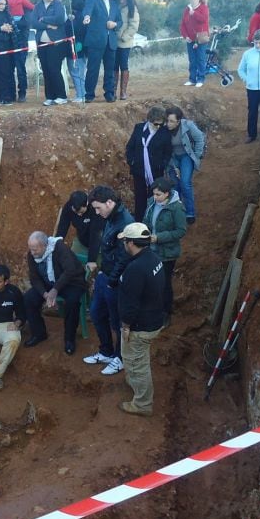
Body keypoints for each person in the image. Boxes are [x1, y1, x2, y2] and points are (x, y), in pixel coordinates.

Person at [82, 185, 135, 376]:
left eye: (98, 208)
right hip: (106, 275)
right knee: (96, 313)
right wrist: (103, 274)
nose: (96, 212)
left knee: (117, 322)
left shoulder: (124, 223)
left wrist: (111, 280)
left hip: (116, 280)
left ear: (110, 202)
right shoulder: (110, 217)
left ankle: (120, 358)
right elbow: (108, 249)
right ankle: (106, 351)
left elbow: (124, 258)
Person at [115, 222, 165, 417]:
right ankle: (133, 380)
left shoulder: (135, 269)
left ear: (130, 243)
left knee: (137, 363)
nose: (124, 245)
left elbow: (131, 303)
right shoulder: (154, 258)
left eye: (125, 241)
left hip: (140, 325)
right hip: (154, 318)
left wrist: (126, 326)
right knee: (138, 358)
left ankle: (143, 404)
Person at [23, 231, 87, 355]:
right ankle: (39, 333)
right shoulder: (32, 255)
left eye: (35, 249)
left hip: (71, 282)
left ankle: (69, 339)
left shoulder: (60, 248)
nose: (32, 253)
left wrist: (54, 290)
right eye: (31, 249)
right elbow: (34, 278)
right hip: (48, 283)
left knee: (72, 302)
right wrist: (45, 294)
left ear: (45, 245)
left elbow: (70, 271)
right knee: (28, 299)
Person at [142, 177, 186, 327]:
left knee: (164, 283)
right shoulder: (151, 203)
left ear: (167, 194)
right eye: (154, 194)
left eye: (158, 194)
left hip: (167, 253)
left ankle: (165, 313)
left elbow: (180, 231)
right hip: (151, 250)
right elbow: (146, 221)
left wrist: (159, 238)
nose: (155, 197)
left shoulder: (176, 208)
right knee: (151, 281)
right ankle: (152, 309)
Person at [124, 105, 171, 219]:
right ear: (150, 120)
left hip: (156, 172)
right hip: (139, 170)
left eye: (161, 124)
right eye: (156, 124)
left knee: (154, 196)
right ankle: (139, 220)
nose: (158, 126)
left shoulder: (165, 132)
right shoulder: (139, 128)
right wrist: (132, 161)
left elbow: (168, 152)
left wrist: (162, 165)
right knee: (139, 197)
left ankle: (153, 219)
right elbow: (130, 147)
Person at [81, 0, 123, 102]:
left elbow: (120, 21)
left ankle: (109, 93)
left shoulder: (115, 4)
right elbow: (87, 10)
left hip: (111, 42)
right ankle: (89, 95)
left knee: (110, 69)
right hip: (95, 41)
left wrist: (114, 25)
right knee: (93, 69)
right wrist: (87, 17)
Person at [163, 106, 205, 224]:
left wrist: (196, 156)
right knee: (175, 185)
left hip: (186, 155)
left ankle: (190, 212)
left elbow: (200, 138)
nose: (168, 124)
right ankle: (177, 212)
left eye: (171, 121)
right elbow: (165, 151)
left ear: (179, 121)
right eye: (167, 120)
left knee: (185, 183)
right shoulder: (164, 130)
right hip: (172, 158)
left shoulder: (188, 125)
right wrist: (174, 166)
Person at [31, 0, 68, 107]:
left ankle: (61, 96)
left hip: (56, 43)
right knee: (46, 70)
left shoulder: (58, 4)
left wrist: (44, 18)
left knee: (54, 69)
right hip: (42, 43)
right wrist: (47, 25)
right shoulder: (37, 7)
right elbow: (33, 22)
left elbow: (60, 19)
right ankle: (50, 97)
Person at [2, 0, 35, 102]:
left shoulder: (6, 5)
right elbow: (33, 8)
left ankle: (16, 93)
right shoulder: (25, 7)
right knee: (18, 68)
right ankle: (18, 94)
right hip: (19, 41)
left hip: (14, 41)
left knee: (14, 68)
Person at [55, 189, 104, 261]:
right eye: (76, 212)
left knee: (99, 263)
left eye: (81, 212)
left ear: (86, 205)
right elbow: (62, 227)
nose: (79, 215)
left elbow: (95, 236)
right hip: (82, 240)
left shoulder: (94, 209)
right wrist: (57, 245)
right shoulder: (68, 207)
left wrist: (91, 260)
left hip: (99, 241)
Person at [180, 0, 211, 87]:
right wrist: (186, 36)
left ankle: (201, 79)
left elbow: (204, 19)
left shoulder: (203, 8)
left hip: (201, 38)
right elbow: (183, 24)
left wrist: (194, 13)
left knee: (200, 59)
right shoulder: (187, 9)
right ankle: (192, 79)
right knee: (192, 60)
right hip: (190, 39)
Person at [114, 0, 139, 100]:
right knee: (114, 66)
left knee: (123, 65)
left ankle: (123, 92)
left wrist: (124, 36)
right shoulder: (113, 6)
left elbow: (134, 26)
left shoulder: (132, 8)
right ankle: (112, 91)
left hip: (125, 43)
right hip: (113, 42)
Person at [66, 0, 87, 102]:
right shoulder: (84, 15)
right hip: (81, 48)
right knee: (80, 71)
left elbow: (70, 30)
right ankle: (82, 93)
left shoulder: (75, 17)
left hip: (75, 48)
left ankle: (81, 94)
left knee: (76, 71)